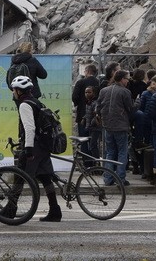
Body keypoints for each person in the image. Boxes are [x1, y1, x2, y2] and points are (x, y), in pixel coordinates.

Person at [9, 75, 62, 223]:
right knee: (45, 177)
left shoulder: (25, 104)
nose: (13, 92)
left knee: (19, 176)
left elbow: (29, 128)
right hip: (44, 147)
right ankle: (55, 210)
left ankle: (10, 209)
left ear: (19, 91)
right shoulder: (37, 102)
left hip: (34, 146)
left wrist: (28, 149)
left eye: (14, 89)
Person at [97, 70, 134, 186]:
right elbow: (130, 108)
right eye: (127, 78)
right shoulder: (125, 92)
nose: (128, 81)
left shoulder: (104, 91)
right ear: (122, 79)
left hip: (107, 125)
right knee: (122, 152)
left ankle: (108, 178)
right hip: (121, 126)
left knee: (110, 152)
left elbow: (98, 107)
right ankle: (120, 178)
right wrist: (138, 102)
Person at [72, 63, 101, 139]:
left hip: (82, 113)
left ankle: (84, 151)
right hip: (95, 115)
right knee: (94, 140)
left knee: (83, 138)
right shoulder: (99, 83)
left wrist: (79, 103)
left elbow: (74, 97)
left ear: (87, 71)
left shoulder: (80, 82)